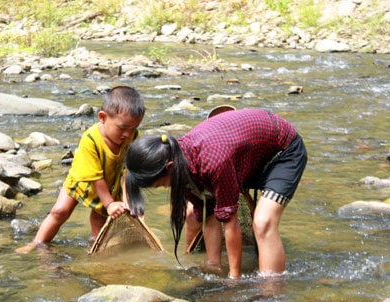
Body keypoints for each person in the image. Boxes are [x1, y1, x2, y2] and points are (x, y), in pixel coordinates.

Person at [124, 107, 307, 279]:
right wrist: (213, 266)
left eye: (160, 185)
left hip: (283, 151)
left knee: (263, 223)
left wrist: (234, 279)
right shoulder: (181, 165)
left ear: (169, 168)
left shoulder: (212, 161)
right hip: (248, 157)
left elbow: (230, 221)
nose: (164, 188)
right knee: (205, 212)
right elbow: (209, 214)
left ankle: (271, 293)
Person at [16, 86, 145, 254]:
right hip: (83, 181)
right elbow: (95, 177)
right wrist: (110, 203)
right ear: (103, 118)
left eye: (133, 128)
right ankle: (37, 243)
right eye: (122, 128)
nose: (127, 134)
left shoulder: (134, 137)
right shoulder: (90, 139)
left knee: (101, 221)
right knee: (59, 211)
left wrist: (129, 202)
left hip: (111, 184)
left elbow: (130, 172)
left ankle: (94, 249)